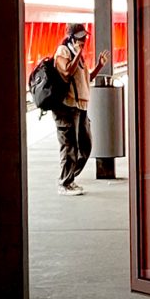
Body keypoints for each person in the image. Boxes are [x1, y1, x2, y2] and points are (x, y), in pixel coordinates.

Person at [51, 22, 93, 193]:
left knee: (85, 146)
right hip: (66, 107)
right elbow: (66, 72)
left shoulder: (78, 54)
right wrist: (79, 53)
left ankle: (70, 177)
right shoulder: (63, 51)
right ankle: (64, 183)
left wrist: (98, 65)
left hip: (81, 107)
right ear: (71, 37)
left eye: (84, 36)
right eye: (80, 36)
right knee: (69, 146)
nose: (84, 39)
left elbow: (85, 80)